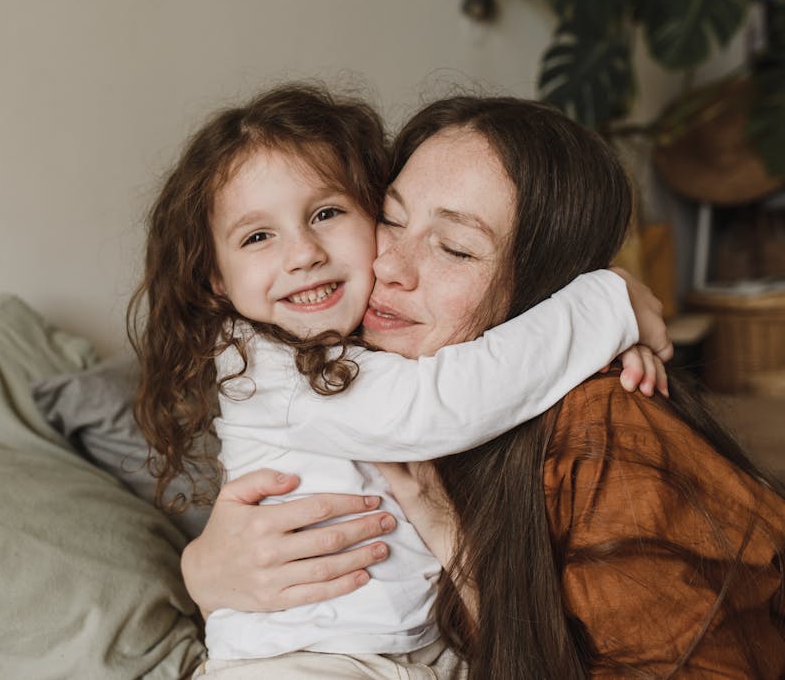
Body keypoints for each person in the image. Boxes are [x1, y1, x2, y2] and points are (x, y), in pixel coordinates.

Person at [180, 96, 785, 678]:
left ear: (539, 293)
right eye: (391, 219)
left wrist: (597, 307)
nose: (387, 267)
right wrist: (202, 573)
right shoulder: (299, 354)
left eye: (456, 248)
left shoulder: (604, 437)